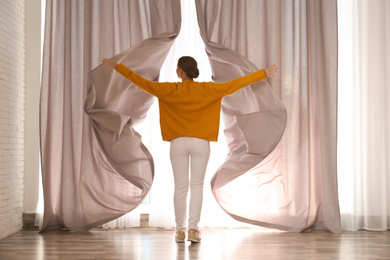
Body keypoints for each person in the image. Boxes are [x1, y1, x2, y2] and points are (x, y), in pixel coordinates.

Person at [101, 56, 278, 243]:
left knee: (180, 187)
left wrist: (118, 67)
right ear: (193, 70)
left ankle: (179, 231)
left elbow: (140, 81)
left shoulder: (168, 89)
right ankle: (193, 230)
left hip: (178, 143)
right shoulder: (209, 89)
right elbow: (237, 83)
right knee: (197, 186)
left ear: (179, 70)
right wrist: (262, 74)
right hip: (201, 143)